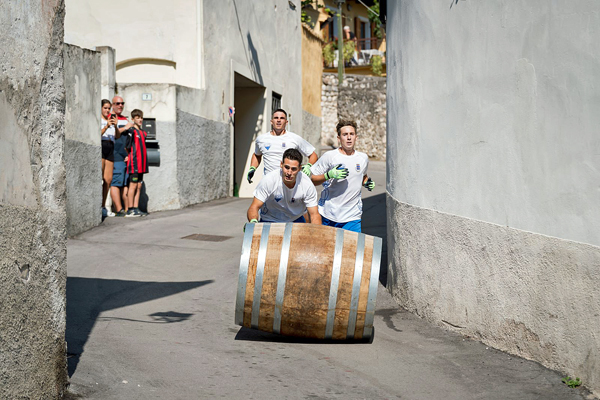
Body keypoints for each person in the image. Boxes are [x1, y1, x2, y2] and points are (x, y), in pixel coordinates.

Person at [309, 119, 375, 232]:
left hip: (352, 216)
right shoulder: (329, 156)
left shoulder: (363, 158)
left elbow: (362, 176)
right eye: (345, 134)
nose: (349, 138)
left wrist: (367, 182)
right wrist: (328, 175)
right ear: (339, 138)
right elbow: (313, 179)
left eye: (351, 134)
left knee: (352, 249)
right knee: (328, 249)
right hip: (328, 214)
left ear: (356, 137)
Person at [247, 148, 321, 224]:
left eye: (294, 169)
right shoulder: (269, 180)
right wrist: (253, 222)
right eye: (287, 167)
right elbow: (254, 207)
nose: (289, 172)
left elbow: (314, 215)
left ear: (300, 169)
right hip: (270, 219)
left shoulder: (306, 184)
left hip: (295, 219)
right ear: (281, 164)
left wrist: (317, 233)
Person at [247, 109, 318, 184]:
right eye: (276, 118)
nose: (278, 120)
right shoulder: (261, 139)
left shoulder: (294, 138)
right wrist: (252, 168)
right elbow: (257, 155)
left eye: (282, 118)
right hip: (268, 183)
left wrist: (309, 166)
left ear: (286, 122)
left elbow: (313, 155)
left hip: (289, 184)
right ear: (271, 121)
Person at [109, 96, 134, 217]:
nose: (120, 106)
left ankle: (127, 209)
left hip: (126, 156)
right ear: (113, 105)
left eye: (122, 103)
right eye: (117, 103)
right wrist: (126, 127)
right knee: (116, 182)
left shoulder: (125, 119)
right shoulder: (111, 118)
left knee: (125, 183)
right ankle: (119, 210)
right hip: (116, 155)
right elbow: (114, 135)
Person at [124, 109, 149, 217]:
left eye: (141, 117)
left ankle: (136, 207)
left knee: (139, 186)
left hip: (142, 164)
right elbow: (127, 146)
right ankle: (129, 209)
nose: (140, 120)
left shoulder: (143, 133)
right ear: (133, 119)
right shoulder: (131, 131)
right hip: (134, 163)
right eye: (137, 118)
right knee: (133, 185)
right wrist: (128, 156)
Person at [100, 99, 119, 217]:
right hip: (102, 145)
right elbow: (98, 134)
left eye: (108, 108)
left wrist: (115, 126)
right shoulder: (100, 120)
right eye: (105, 108)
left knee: (108, 179)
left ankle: (103, 206)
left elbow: (117, 136)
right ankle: (99, 205)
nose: (107, 110)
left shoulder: (112, 120)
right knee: (100, 178)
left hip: (110, 147)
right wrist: (106, 126)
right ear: (101, 108)